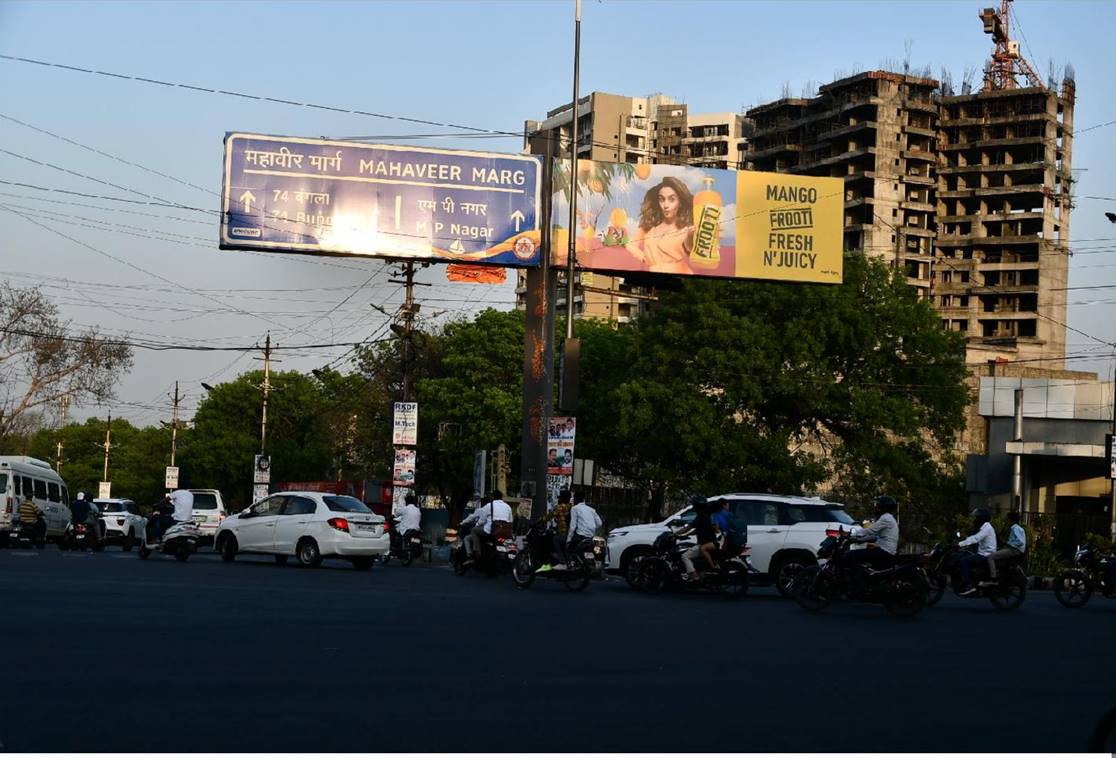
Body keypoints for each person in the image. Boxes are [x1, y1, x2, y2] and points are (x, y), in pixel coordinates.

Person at [624, 176, 695, 275]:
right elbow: (630, 245)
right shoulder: (649, 227)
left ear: (680, 203)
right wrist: (645, 258)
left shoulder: (688, 230)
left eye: (672, 199)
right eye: (662, 199)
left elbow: (694, 259)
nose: (666, 205)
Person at [846, 495, 900, 571]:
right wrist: (860, 540)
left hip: (884, 551)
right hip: (886, 550)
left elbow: (870, 530)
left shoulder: (886, 518)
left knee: (851, 555)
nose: (875, 507)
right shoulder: (888, 517)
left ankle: (856, 580)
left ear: (883, 507)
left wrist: (852, 534)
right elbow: (874, 536)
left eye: (878, 505)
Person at [676, 497, 719, 581]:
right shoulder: (707, 515)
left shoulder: (700, 517)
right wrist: (687, 535)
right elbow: (698, 530)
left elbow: (687, 528)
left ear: (697, 506)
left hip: (704, 543)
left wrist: (675, 534)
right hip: (711, 542)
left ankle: (695, 575)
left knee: (684, 556)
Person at [958, 508, 997, 596]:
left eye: (977, 518)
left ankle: (969, 585)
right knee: (967, 555)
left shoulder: (987, 528)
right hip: (984, 553)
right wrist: (966, 541)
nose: (975, 520)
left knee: (964, 561)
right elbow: (975, 537)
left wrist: (960, 544)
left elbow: (976, 538)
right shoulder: (984, 527)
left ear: (981, 518)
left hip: (985, 555)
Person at [984, 512, 1026, 584]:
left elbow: (1020, 541)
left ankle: (993, 578)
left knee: (990, 557)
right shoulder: (1018, 528)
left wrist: (1009, 544)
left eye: (1007, 519)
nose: (1006, 521)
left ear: (1010, 520)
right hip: (1016, 550)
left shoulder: (1015, 528)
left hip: (1014, 550)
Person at [460, 495, 491, 560]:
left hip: (483, 531)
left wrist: (462, 523)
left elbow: (471, 518)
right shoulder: (493, 510)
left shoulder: (481, 510)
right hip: (491, 532)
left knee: (467, 538)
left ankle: (471, 554)